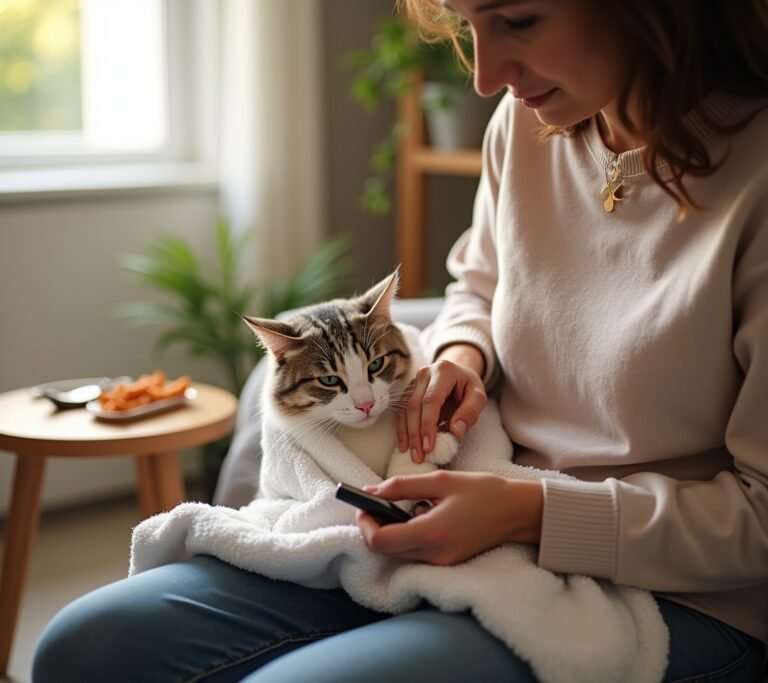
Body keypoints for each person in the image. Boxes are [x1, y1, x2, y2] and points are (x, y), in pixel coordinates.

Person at [34, 1, 768, 681]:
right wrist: (461, 356)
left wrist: (528, 510)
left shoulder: (755, 177)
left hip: (671, 588)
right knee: (86, 643)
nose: (484, 77)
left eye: (517, 18)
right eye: (464, 22)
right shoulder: (526, 126)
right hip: (477, 519)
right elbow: (477, 286)